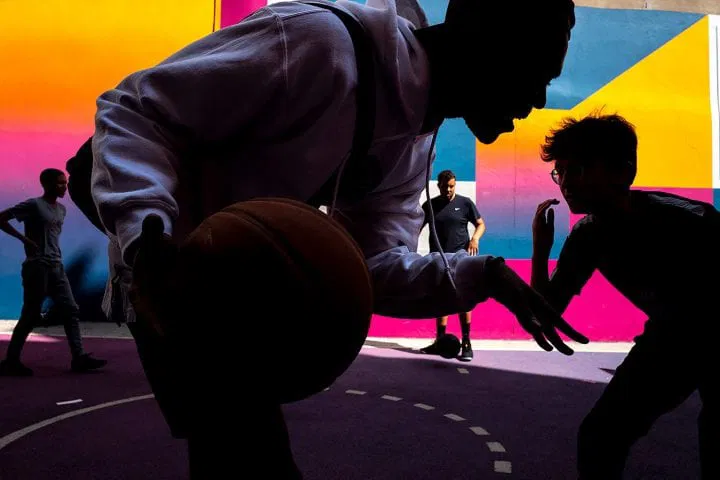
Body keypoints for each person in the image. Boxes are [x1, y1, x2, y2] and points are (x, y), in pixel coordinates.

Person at [88, 0, 587, 476]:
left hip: (230, 290)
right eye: (537, 73)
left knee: (235, 456)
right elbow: (135, 111)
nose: (539, 100)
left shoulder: (411, 143)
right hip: (169, 272)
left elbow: (372, 263)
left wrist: (486, 275)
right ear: (484, 37)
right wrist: (145, 234)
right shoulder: (318, 45)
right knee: (245, 455)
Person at [531, 112, 717, 479]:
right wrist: (541, 250)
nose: (565, 182)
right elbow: (546, 313)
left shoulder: (693, 222)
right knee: (600, 435)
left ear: (623, 171)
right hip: (671, 337)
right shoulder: (587, 236)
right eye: (560, 172)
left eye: (577, 169)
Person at [0, 169, 107, 376]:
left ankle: (79, 358)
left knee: (71, 310)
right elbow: (1, 218)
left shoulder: (61, 210)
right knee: (31, 314)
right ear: (47, 184)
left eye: (64, 183)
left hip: (56, 265)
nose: (64, 187)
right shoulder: (33, 205)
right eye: (59, 183)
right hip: (37, 266)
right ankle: (11, 361)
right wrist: (24, 239)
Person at [420, 169, 485, 361]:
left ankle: (466, 342)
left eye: (451, 186)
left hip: (461, 258)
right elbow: (416, 227)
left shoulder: (465, 203)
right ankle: (439, 341)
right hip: (438, 258)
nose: (448, 190)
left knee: (463, 297)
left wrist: (475, 239)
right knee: (441, 298)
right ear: (438, 186)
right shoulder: (430, 205)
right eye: (445, 187)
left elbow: (481, 224)